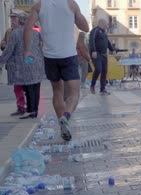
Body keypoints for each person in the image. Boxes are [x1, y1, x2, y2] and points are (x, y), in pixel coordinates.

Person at [24, 0, 89, 141]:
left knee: (57, 92)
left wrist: (27, 50)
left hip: (50, 56)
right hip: (69, 55)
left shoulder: (38, 6)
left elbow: (28, 27)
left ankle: (61, 121)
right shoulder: (71, 4)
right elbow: (85, 27)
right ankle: (65, 117)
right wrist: (76, 15)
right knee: (74, 94)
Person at [0, 12, 45, 119]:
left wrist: (1, 61)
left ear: (19, 21)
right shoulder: (36, 33)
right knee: (35, 87)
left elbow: (9, 50)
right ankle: (34, 111)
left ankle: (31, 111)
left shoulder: (15, 33)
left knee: (29, 87)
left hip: (24, 65)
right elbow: (41, 47)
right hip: (36, 63)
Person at [2, 9, 27, 116]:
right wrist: (2, 45)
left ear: (20, 19)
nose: (12, 20)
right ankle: (21, 107)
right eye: (11, 18)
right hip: (13, 64)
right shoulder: (9, 31)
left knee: (27, 86)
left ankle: (30, 107)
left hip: (25, 63)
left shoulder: (26, 31)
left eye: (14, 18)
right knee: (17, 87)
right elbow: (4, 44)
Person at [89, 19, 114, 95]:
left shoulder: (104, 33)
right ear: (102, 24)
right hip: (97, 53)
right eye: (107, 24)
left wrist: (112, 49)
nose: (108, 26)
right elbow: (91, 40)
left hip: (104, 55)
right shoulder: (95, 30)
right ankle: (92, 85)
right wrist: (93, 50)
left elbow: (107, 42)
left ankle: (102, 89)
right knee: (98, 69)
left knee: (104, 71)